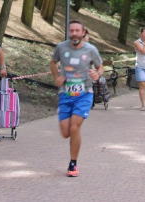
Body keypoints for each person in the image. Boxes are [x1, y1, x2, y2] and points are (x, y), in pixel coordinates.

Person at [50, 19, 103, 177]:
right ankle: (73, 159)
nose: (74, 34)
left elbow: (100, 66)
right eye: (71, 31)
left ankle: (73, 163)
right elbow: (53, 62)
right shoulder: (61, 47)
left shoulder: (91, 49)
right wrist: (57, 77)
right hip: (66, 94)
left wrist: (97, 74)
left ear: (83, 32)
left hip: (84, 94)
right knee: (65, 133)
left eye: (77, 31)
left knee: (74, 128)